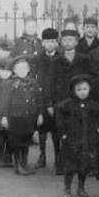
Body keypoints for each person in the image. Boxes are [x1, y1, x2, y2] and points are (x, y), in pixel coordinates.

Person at [57, 73, 99, 197]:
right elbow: (59, 118)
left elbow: (98, 118)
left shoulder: (93, 105)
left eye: (85, 89)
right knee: (70, 165)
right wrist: (63, 133)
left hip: (87, 139)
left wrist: (97, 130)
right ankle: (67, 188)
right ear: (73, 90)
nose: (82, 92)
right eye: (79, 90)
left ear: (89, 90)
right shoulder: (67, 104)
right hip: (71, 139)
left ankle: (81, 187)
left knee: (84, 164)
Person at [2, 56, 42, 175]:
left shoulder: (33, 83)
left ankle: (25, 164)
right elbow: (6, 101)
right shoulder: (11, 84)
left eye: (25, 68)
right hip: (15, 117)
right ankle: (18, 165)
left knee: (26, 141)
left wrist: (40, 114)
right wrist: (4, 116)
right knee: (17, 142)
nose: (22, 71)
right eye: (19, 68)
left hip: (29, 116)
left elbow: (38, 99)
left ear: (29, 69)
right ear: (14, 70)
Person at [33, 29, 62, 170]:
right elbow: (34, 79)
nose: (50, 44)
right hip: (42, 99)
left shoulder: (61, 58)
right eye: (47, 42)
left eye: (53, 41)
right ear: (42, 43)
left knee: (56, 130)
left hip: (57, 100)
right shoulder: (38, 59)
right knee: (42, 130)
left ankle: (58, 158)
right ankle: (42, 155)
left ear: (57, 43)